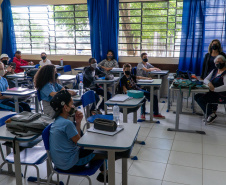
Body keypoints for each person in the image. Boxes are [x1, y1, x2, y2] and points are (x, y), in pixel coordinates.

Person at [49, 90, 107, 182]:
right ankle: (105, 174)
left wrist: (78, 122)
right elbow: (81, 144)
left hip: (60, 163)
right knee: (104, 150)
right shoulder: (67, 124)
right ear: (65, 107)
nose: (74, 106)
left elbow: (77, 142)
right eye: (72, 104)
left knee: (96, 147)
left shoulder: (57, 121)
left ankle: (104, 173)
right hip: (70, 164)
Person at [195, 55, 226, 124]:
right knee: (196, 96)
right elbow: (206, 79)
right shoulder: (215, 70)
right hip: (213, 92)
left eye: (220, 61)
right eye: (217, 62)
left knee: (201, 99)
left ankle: (211, 115)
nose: (219, 63)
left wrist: (214, 89)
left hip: (222, 95)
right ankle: (210, 113)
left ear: (224, 62)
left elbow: (225, 86)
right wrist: (209, 83)